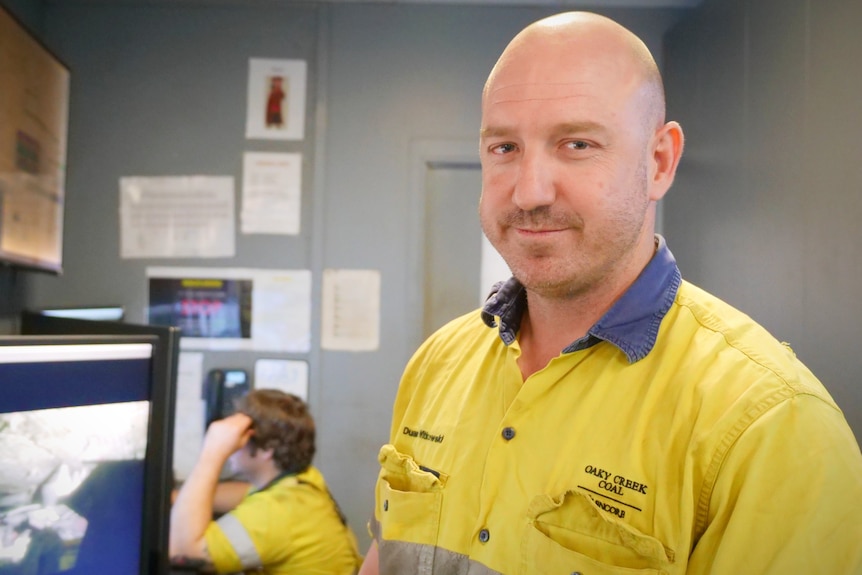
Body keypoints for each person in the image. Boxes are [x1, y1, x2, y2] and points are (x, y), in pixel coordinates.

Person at [359, 11, 862, 575]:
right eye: (504, 148)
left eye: (576, 143)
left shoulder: (772, 427)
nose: (529, 191)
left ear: (659, 162)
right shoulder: (437, 361)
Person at [170, 389, 362, 574]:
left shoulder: (279, 511)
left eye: (241, 437)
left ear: (267, 449)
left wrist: (212, 452)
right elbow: (245, 492)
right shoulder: (301, 484)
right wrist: (175, 497)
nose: (233, 444)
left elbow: (183, 553)